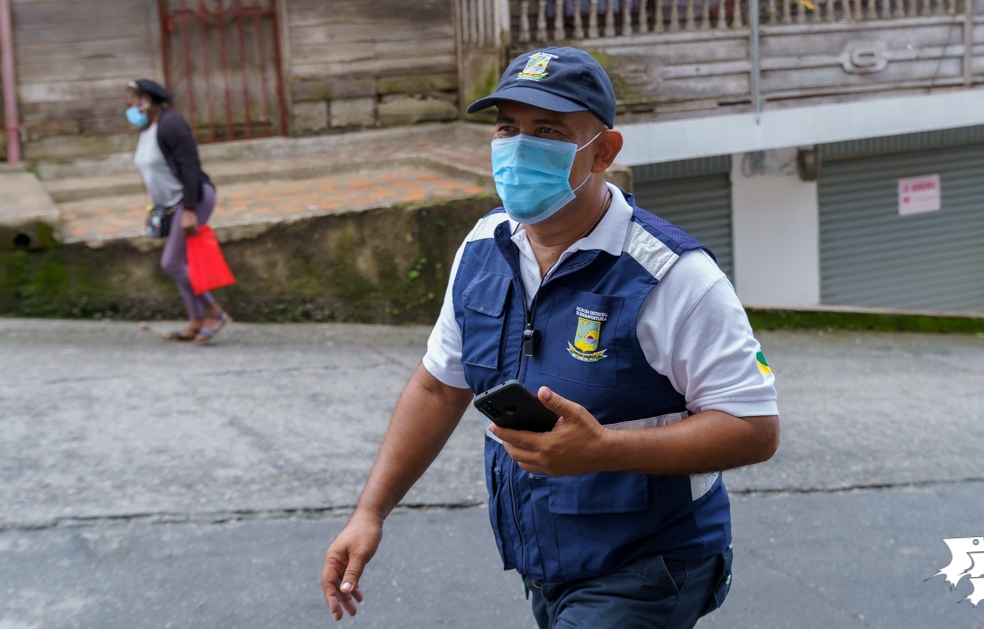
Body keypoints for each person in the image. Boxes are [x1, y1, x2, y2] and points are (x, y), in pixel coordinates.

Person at [321, 48, 780, 627]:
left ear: (603, 152)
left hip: (649, 564)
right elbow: (438, 388)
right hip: (545, 563)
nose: (518, 147)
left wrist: (605, 451)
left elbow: (754, 427)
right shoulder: (483, 248)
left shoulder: (672, 275)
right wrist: (370, 512)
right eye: (507, 127)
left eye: (548, 130)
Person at [126, 79, 229, 343]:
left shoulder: (171, 124)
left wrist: (190, 209)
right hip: (171, 205)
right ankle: (196, 322)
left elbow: (191, 166)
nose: (129, 108)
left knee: (171, 263)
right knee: (182, 262)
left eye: (132, 101)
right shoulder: (148, 129)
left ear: (147, 99)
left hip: (192, 198)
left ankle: (214, 312)